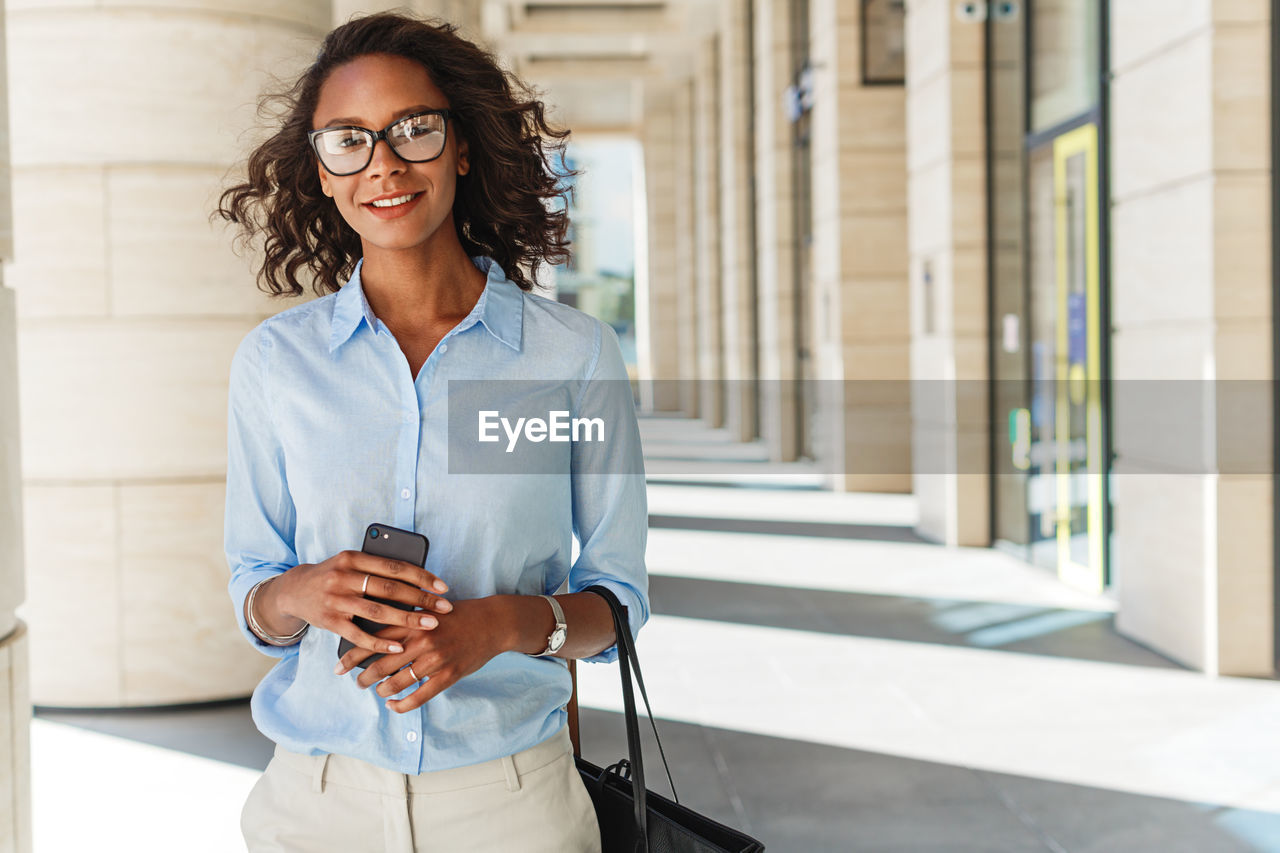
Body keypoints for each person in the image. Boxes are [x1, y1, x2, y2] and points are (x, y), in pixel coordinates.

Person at [216, 12, 648, 852]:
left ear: (461, 145)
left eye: (412, 129)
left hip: (514, 803)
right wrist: (301, 594)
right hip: (316, 800)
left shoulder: (572, 355)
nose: (382, 162)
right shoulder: (276, 363)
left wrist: (498, 626)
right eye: (348, 139)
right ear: (323, 169)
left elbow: (617, 603)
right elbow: (254, 592)